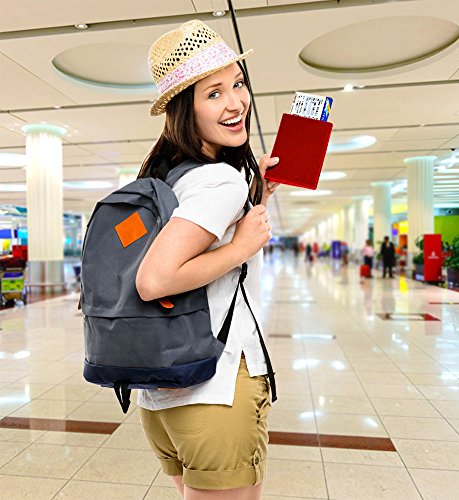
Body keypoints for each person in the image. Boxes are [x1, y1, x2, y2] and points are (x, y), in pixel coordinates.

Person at [135, 20, 280, 500]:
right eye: (213, 93)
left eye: (238, 84)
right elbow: (155, 279)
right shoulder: (219, 181)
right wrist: (241, 248)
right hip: (215, 389)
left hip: (162, 395)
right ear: (185, 107)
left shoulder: (164, 175)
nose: (236, 102)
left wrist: (256, 193)